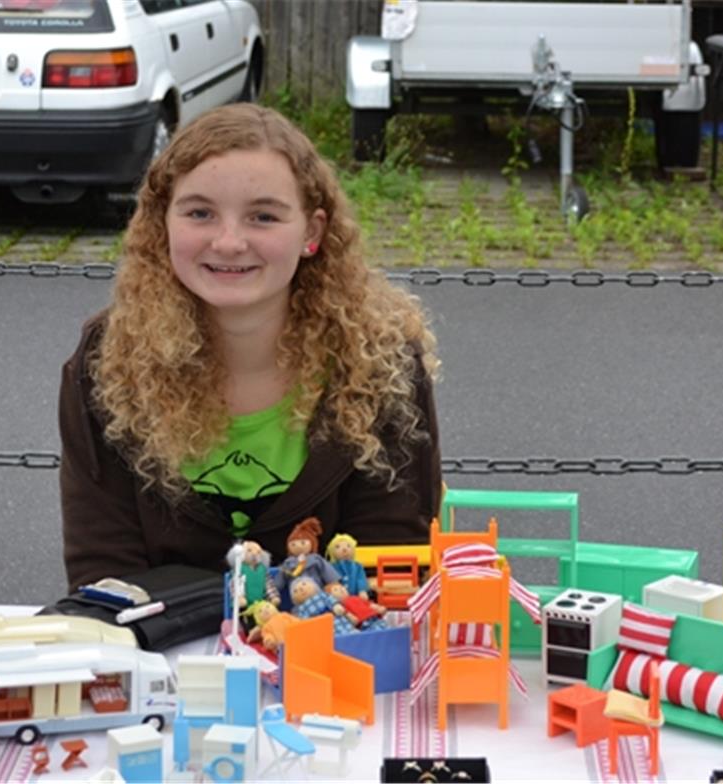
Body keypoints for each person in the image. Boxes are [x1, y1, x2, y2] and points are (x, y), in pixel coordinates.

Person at [59, 103, 442, 592]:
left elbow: (392, 573)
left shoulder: (381, 361)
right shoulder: (106, 361)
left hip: (329, 654)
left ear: (313, 232)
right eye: (200, 213)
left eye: (263, 216)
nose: (229, 241)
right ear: (163, 224)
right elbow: (103, 573)